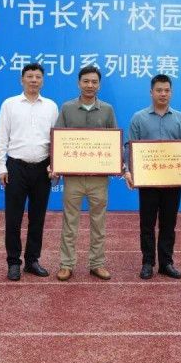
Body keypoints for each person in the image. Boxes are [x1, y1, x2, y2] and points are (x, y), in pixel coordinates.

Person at [124, 74, 181, 280]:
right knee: (147, 224)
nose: (163, 94)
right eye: (159, 90)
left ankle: (166, 263)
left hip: (172, 181)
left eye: (167, 90)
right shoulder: (138, 117)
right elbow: (129, 147)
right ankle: (148, 262)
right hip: (147, 181)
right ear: (151, 92)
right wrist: (128, 171)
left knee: (168, 224)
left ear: (171, 93)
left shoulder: (180, 118)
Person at [0, 63, 59, 281]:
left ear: (43, 81)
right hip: (16, 167)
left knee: (37, 218)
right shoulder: (10, 104)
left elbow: (56, 139)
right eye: (29, 76)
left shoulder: (51, 106)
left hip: (42, 168)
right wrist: (1, 166)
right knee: (13, 218)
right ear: (21, 80)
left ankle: (32, 260)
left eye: (38, 77)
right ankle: (13, 262)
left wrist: (55, 165)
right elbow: (2, 137)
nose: (34, 80)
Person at [54, 66, 117, 281]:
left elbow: (113, 141)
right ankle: (66, 264)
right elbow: (58, 140)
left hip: (99, 178)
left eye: (94, 82)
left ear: (99, 85)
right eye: (86, 81)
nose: (90, 85)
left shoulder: (107, 110)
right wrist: (56, 166)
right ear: (78, 83)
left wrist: (116, 164)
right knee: (69, 221)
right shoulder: (67, 108)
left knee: (99, 222)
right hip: (73, 178)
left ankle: (97, 263)